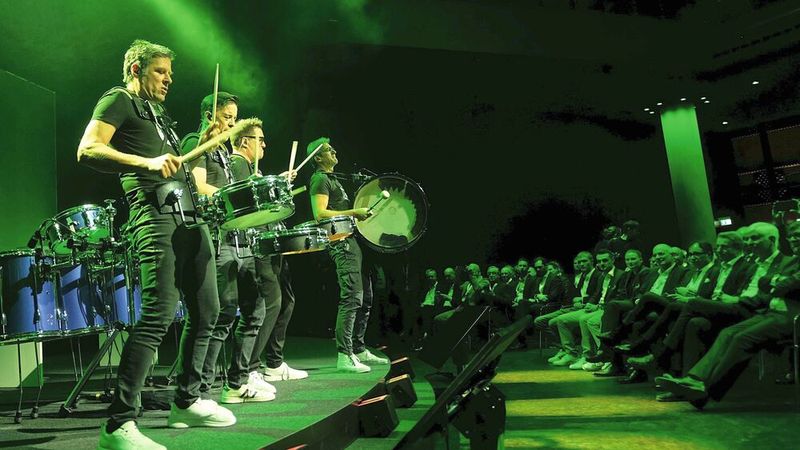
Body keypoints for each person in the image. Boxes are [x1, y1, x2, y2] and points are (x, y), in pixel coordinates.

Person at [78, 40, 235, 450]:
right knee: (158, 315)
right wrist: (146, 163)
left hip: (188, 217)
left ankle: (187, 400)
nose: (169, 79)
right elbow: (89, 148)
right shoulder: (119, 100)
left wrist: (204, 140)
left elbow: (178, 165)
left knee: (209, 310)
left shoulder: (159, 113)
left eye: (169, 72)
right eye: (161, 71)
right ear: (136, 68)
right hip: (154, 215)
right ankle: (118, 424)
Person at [307, 137, 388, 372]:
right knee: (352, 296)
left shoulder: (332, 179)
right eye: (328, 150)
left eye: (333, 148)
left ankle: (359, 348)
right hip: (340, 242)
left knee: (365, 296)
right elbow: (319, 214)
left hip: (351, 240)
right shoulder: (320, 179)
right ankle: (345, 354)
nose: (334, 151)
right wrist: (354, 211)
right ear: (318, 158)